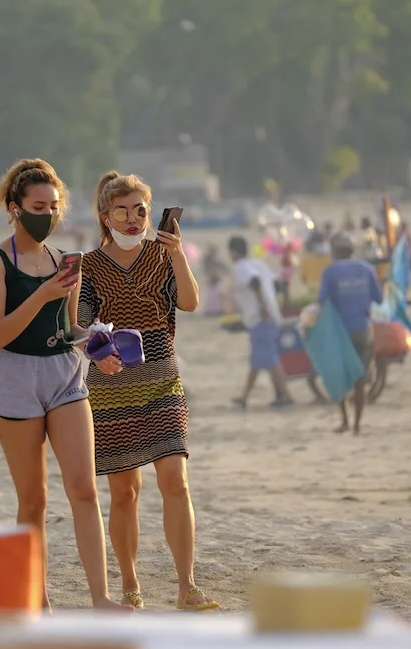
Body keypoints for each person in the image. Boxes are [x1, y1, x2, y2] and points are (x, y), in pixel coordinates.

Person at [0, 159, 130, 612]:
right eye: (38, 205)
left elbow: (69, 328)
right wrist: (42, 294)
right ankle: (36, 602)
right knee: (34, 499)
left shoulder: (65, 261)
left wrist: (99, 347)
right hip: (15, 377)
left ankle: (101, 597)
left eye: (54, 206)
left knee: (83, 487)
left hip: (63, 374)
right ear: (15, 207)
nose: (47, 214)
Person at [78, 171, 218, 611]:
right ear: (105, 215)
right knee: (125, 491)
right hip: (111, 386)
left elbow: (191, 303)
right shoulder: (89, 266)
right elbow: (78, 326)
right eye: (122, 210)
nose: (134, 218)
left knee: (175, 479)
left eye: (140, 209)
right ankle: (130, 587)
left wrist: (178, 256)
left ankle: (186, 586)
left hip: (162, 376)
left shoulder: (163, 256)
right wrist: (96, 351)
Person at [317, 231, 384, 435]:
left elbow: (321, 302)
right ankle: (357, 425)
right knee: (359, 380)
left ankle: (345, 420)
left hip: (341, 332)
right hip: (363, 330)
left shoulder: (330, 272)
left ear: (336, 251)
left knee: (340, 378)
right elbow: (379, 299)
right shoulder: (367, 269)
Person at [227, 236, 294, 409]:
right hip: (269, 316)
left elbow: (254, 282)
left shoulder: (241, 267)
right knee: (257, 361)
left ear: (234, 252)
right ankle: (244, 398)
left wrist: (262, 306)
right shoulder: (259, 264)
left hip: (260, 318)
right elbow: (278, 284)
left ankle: (287, 396)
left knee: (270, 360)